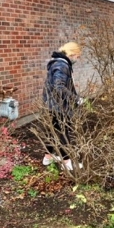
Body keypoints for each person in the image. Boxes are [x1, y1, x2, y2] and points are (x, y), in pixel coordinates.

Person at [42, 41, 82, 171]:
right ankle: (67, 162)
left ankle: (47, 157)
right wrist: (76, 99)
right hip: (58, 105)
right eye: (77, 56)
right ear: (72, 54)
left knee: (52, 131)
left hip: (51, 104)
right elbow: (59, 86)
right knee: (63, 132)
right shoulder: (61, 65)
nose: (78, 59)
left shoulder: (58, 63)